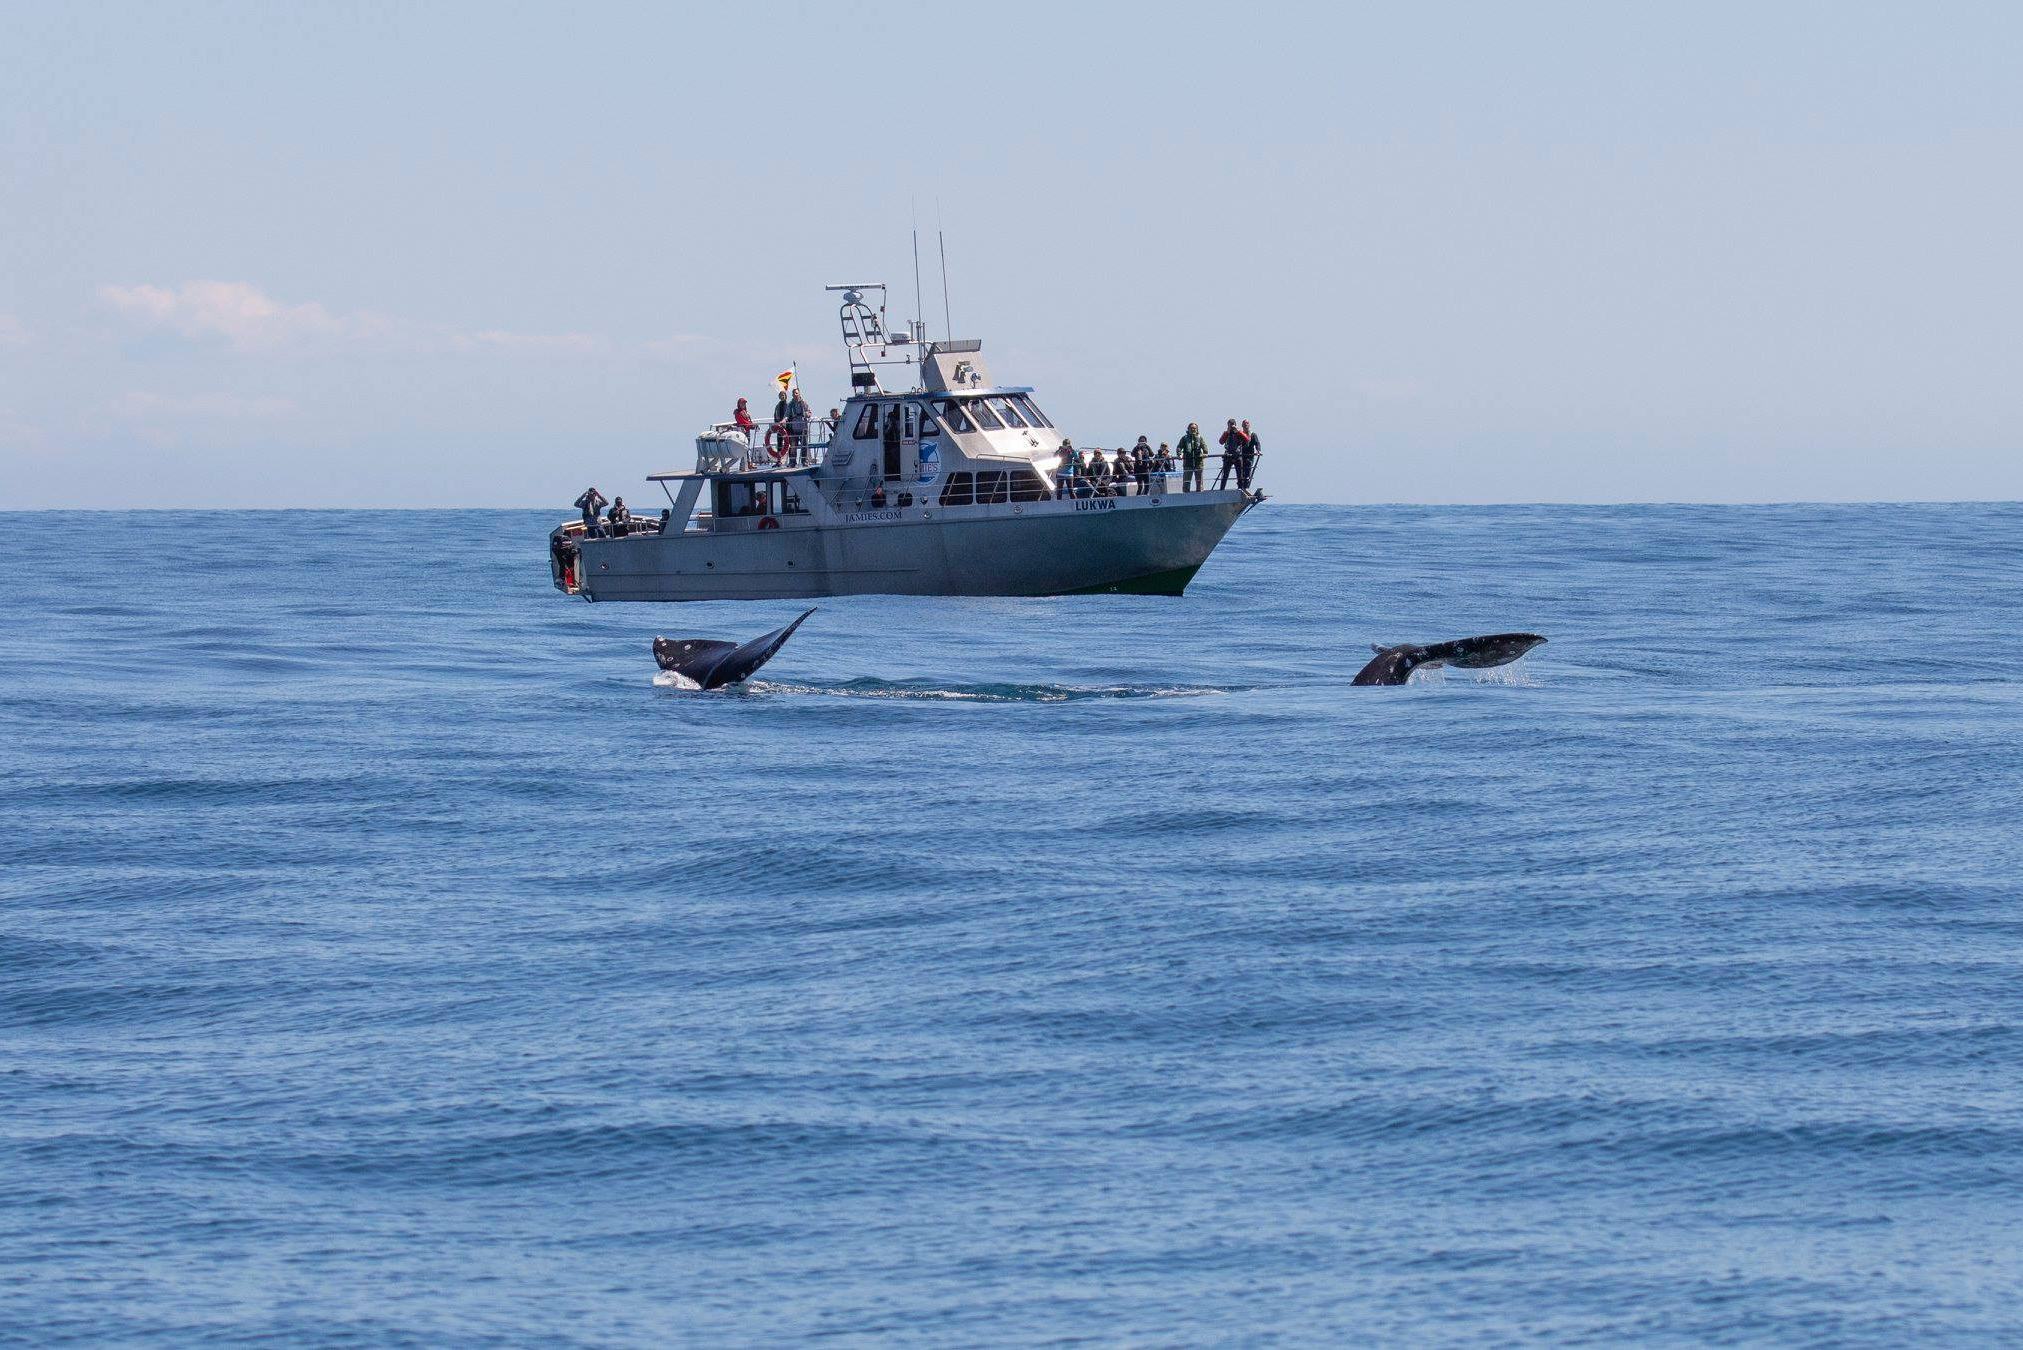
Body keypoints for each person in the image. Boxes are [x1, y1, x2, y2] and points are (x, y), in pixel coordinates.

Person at [1216, 418, 1246, 490]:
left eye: (1232, 425)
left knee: (1239, 474)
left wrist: (1238, 431)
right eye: (1230, 425)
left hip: (1237, 456)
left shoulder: (1239, 433)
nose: (1231, 427)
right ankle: (1222, 489)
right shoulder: (1226, 433)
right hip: (1228, 456)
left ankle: (1240, 488)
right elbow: (1221, 442)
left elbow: (1247, 439)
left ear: (1235, 425)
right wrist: (1227, 432)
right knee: (1225, 474)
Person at [1176, 423, 1207, 493]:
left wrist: (1205, 453)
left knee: (1199, 482)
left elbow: (1204, 447)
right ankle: (1186, 495)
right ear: (1188, 429)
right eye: (1191, 428)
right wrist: (1179, 454)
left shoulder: (1200, 437)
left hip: (1198, 463)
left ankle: (1200, 494)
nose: (1193, 429)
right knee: (1186, 481)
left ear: (1197, 429)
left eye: (1194, 428)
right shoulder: (1184, 438)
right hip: (1188, 463)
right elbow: (1179, 447)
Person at [787, 387, 810, 461]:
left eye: (796, 393)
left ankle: (804, 461)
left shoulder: (804, 403)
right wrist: (783, 420)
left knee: (804, 444)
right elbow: (786, 415)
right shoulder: (790, 405)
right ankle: (793, 462)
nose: (795, 394)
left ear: (799, 393)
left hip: (803, 426)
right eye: (794, 393)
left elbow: (809, 412)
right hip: (794, 427)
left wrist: (807, 414)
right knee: (793, 445)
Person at [1238, 419, 1261, 490]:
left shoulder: (1253, 434)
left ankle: (1246, 488)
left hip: (1249, 457)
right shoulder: (1240, 434)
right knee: (1241, 473)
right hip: (1241, 456)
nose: (1245, 425)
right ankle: (1241, 487)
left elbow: (1257, 443)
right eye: (1244, 424)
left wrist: (1258, 451)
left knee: (1247, 472)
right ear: (1242, 425)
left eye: (1247, 424)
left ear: (1249, 425)